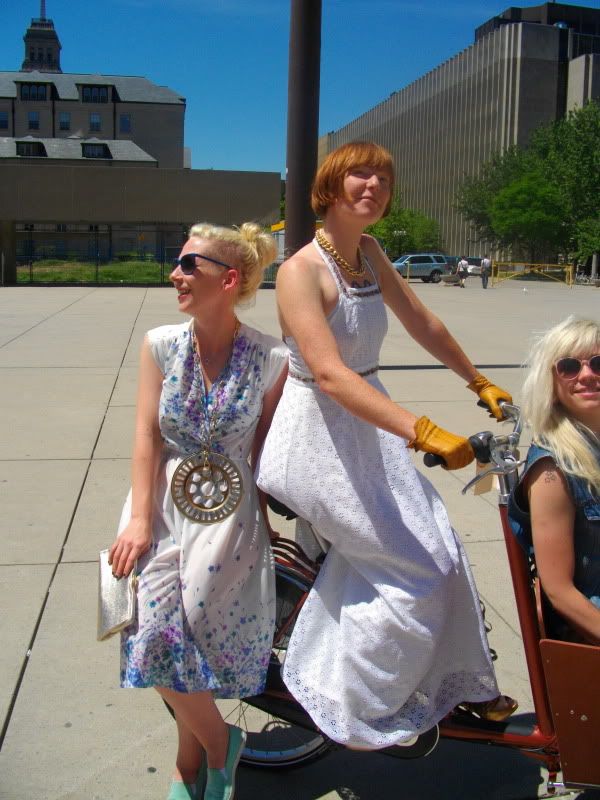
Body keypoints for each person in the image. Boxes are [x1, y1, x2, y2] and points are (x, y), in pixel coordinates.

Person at [256, 141, 517, 750]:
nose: (372, 184)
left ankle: (457, 684)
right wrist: (421, 429)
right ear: (330, 188)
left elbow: (422, 320)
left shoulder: (368, 253)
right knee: (414, 570)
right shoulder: (301, 271)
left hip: (364, 431)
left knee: (442, 546)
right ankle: (345, 696)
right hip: (316, 439)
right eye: (358, 175)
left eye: (382, 176)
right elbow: (329, 373)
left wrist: (475, 379)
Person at [108, 222, 288, 800]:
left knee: (196, 642)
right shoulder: (160, 344)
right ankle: (221, 746)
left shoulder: (270, 357)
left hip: (230, 518)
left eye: (189, 264)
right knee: (151, 635)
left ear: (228, 279)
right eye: (179, 263)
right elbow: (145, 435)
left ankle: (189, 767)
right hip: (159, 507)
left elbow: (266, 450)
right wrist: (138, 518)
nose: (175, 274)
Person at [509, 317, 600, 645]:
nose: (587, 375)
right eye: (569, 366)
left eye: (598, 363)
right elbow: (560, 592)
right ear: (552, 383)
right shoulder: (552, 471)